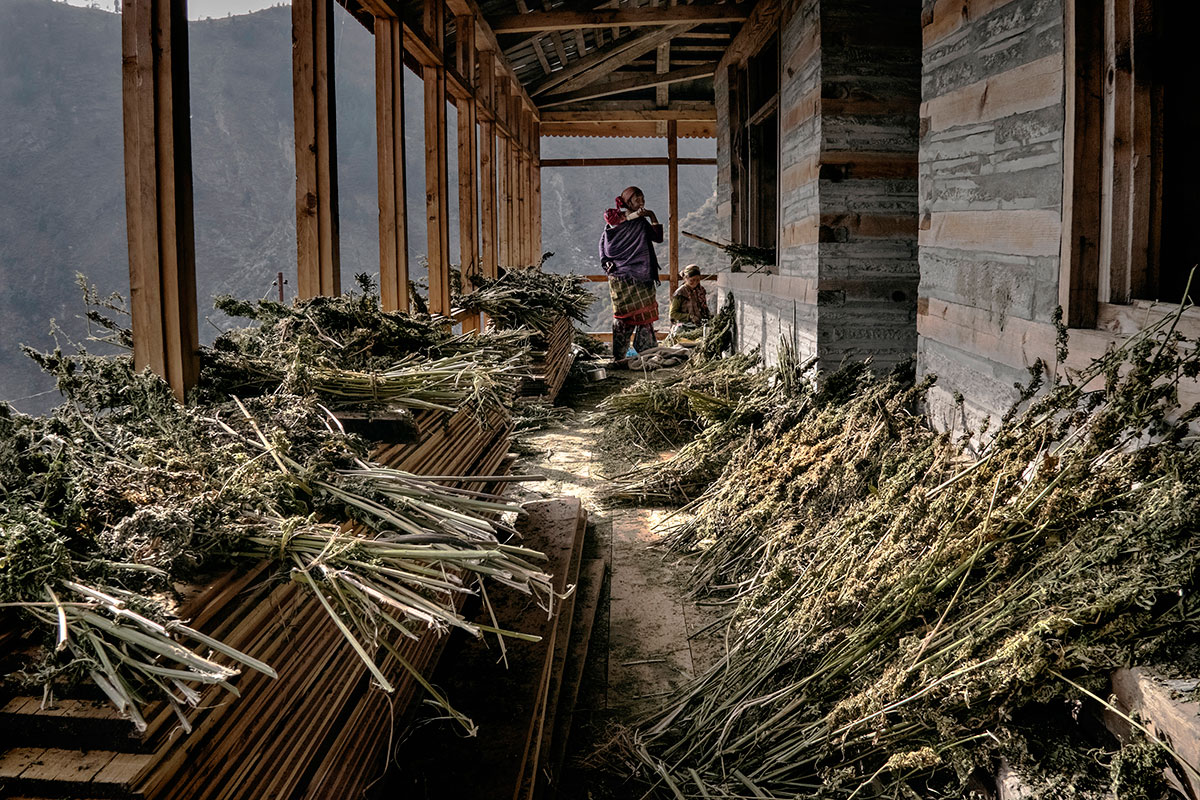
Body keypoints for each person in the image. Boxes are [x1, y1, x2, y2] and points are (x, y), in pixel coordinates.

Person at [599, 186, 662, 360]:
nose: (641, 202)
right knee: (623, 318)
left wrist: (652, 216)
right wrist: (608, 263)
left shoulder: (641, 222)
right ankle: (620, 357)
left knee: (644, 318)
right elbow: (606, 248)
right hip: (624, 279)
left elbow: (658, 238)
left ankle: (646, 355)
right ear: (627, 203)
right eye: (637, 199)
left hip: (639, 278)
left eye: (642, 198)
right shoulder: (614, 223)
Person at [669, 263, 711, 330]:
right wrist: (689, 317)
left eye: (697, 280)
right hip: (683, 325)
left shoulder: (701, 291)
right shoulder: (680, 293)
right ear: (686, 278)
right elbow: (673, 314)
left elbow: (704, 308)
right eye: (692, 280)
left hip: (699, 325)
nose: (695, 282)